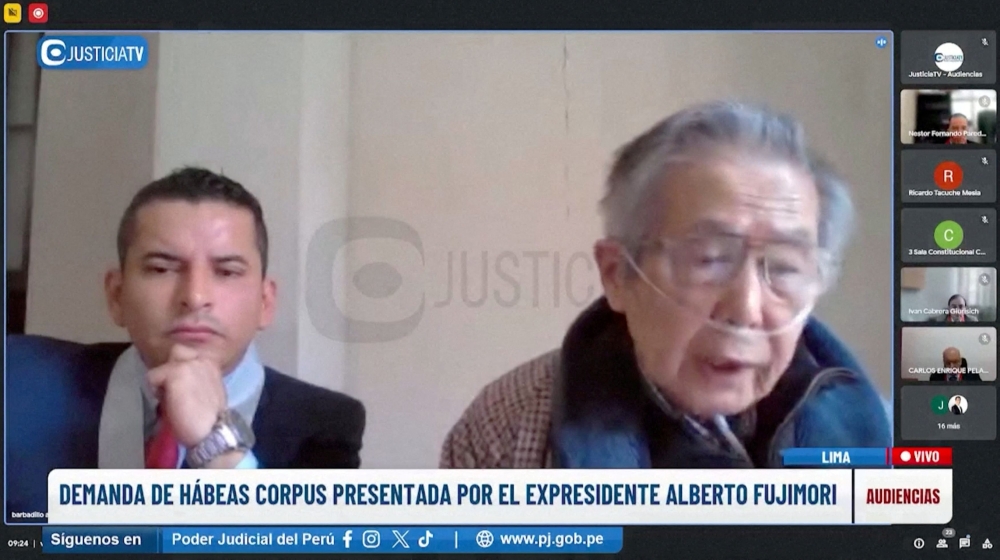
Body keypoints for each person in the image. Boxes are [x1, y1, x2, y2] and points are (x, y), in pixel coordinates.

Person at [440, 101, 890, 469]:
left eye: (786, 268)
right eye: (709, 260)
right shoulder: (511, 429)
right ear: (617, 274)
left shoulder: (886, 440)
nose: (747, 309)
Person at [6, 168, 366, 521]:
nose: (194, 297)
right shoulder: (22, 380)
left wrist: (220, 450)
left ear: (265, 302)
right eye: (162, 269)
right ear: (117, 295)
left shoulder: (323, 425)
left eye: (226, 272)